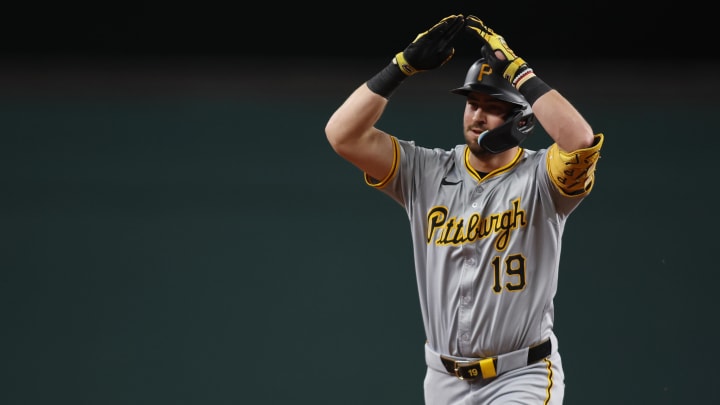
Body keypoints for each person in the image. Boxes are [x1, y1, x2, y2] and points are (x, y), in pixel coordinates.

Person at [324, 14, 604, 404]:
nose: (476, 115)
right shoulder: (426, 171)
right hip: (443, 378)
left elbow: (579, 140)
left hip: (520, 375)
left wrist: (521, 74)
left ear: (522, 120)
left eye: (492, 106)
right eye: (472, 103)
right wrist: (400, 67)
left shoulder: (543, 177)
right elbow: (342, 134)